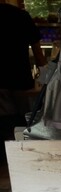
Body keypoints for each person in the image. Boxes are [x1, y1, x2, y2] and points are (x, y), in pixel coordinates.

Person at [0, 1, 46, 147]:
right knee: (25, 124)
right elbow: (39, 54)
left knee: (5, 126)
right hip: (22, 82)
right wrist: (46, 79)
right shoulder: (21, 15)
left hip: (2, 87)